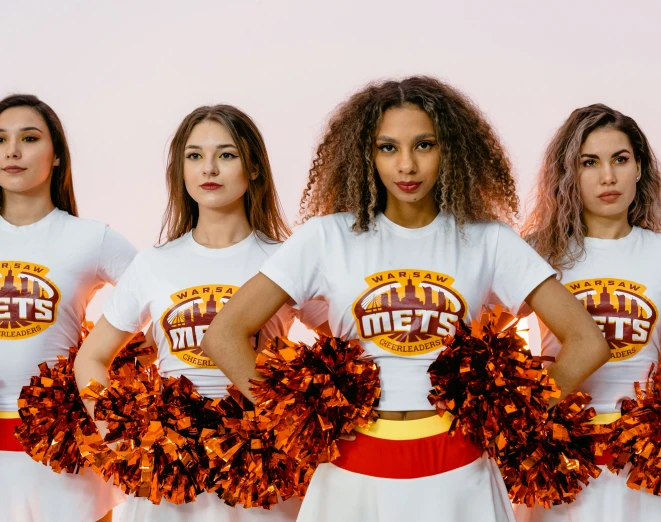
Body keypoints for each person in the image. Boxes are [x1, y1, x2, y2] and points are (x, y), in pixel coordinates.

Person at [200, 76, 610, 522]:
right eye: (388, 147)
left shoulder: (489, 241)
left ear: (450, 150)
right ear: (365, 155)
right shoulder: (326, 237)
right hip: (350, 471)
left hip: (458, 469)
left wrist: (511, 418)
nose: (407, 165)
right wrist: (295, 418)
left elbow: (587, 341)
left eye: (424, 145)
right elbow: (224, 334)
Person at [74, 104, 326, 522]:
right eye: (194, 156)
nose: (209, 167)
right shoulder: (154, 264)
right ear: (181, 171)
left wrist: (295, 421)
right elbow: (92, 357)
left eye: (226, 155)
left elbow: (346, 343)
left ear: (255, 168)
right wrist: (119, 438)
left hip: (259, 478)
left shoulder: (285, 259)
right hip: (170, 483)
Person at [516, 103, 661, 522]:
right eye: (590, 163)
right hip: (564, 465)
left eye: (620, 160)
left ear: (640, 168)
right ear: (569, 174)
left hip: (646, 466)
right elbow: (481, 333)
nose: (608, 177)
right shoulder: (539, 252)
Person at [0, 94, 136, 522]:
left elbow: (161, 297)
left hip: (66, 460)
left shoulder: (91, 238)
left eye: (30, 138)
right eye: (0, 139)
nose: (13, 151)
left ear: (57, 155)